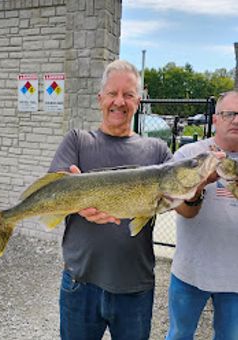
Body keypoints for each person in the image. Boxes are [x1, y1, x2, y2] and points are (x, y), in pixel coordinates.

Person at [48, 60, 172, 340]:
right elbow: (54, 185)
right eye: (113, 93)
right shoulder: (78, 141)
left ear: (138, 101)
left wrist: (198, 186)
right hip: (80, 283)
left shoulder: (158, 152)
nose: (120, 101)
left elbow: (186, 203)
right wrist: (72, 194)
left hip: (135, 287)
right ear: (100, 98)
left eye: (128, 94)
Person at [166, 91, 238, 340]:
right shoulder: (189, 156)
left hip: (236, 278)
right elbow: (184, 212)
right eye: (230, 114)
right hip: (191, 271)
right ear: (216, 119)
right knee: (179, 335)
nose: (236, 120)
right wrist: (197, 187)